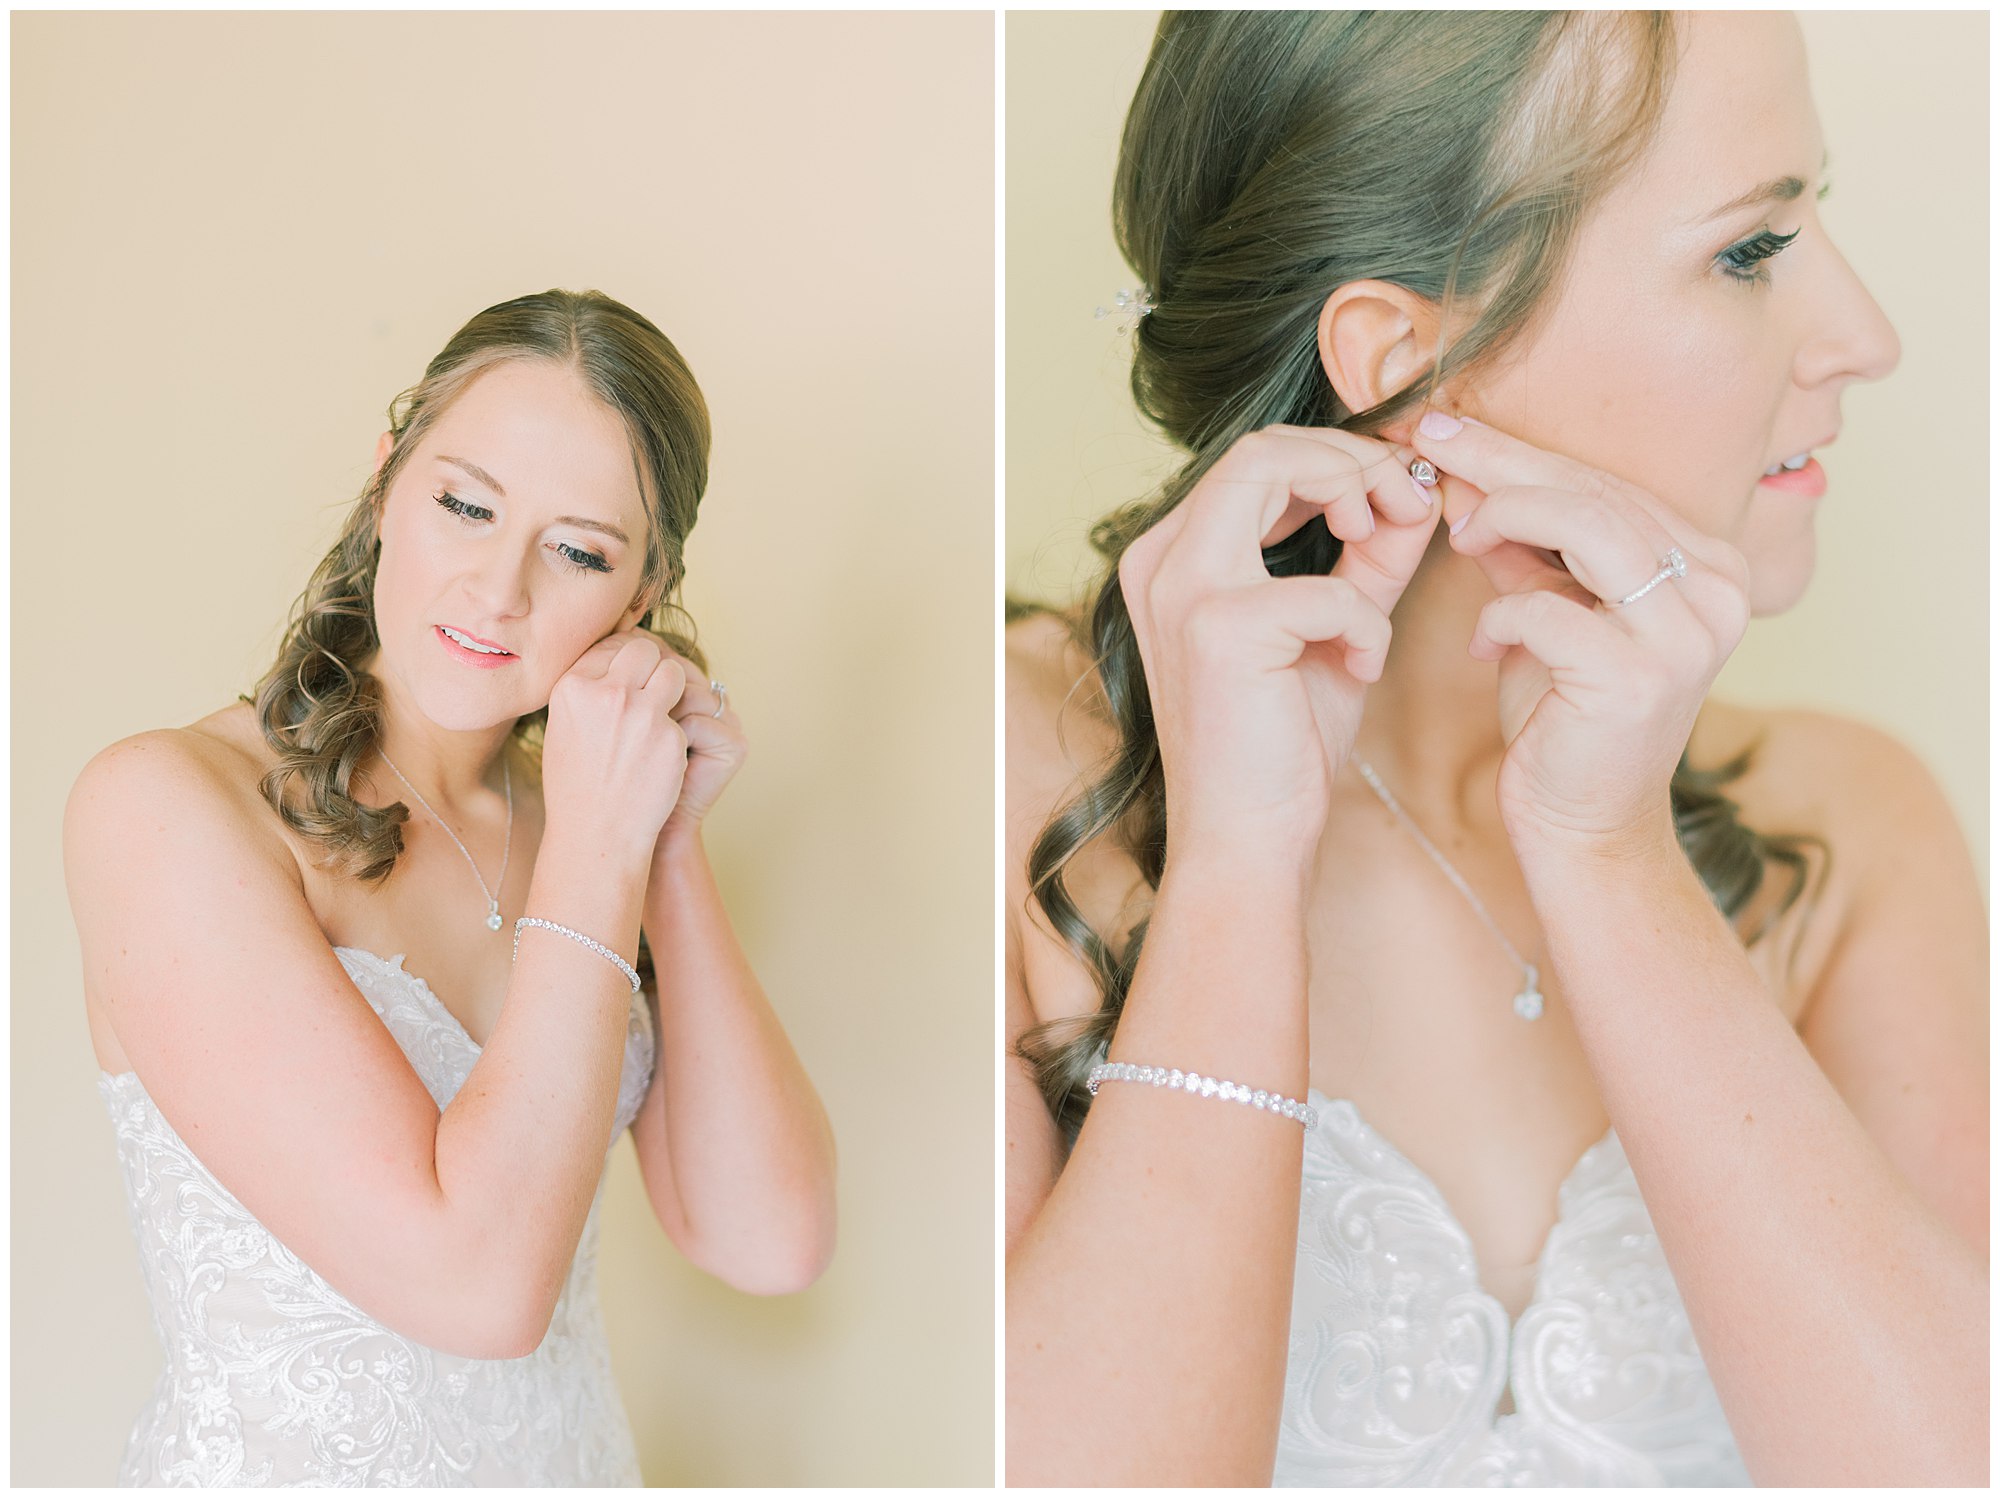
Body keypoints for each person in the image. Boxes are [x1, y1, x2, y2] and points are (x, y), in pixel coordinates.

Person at [1005, 12, 1985, 1487]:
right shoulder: (1018, 778)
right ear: (1409, 358)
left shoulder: (1852, 820)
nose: (1864, 337)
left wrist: (1611, 853)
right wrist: (1234, 865)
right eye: (1750, 249)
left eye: (1813, 215)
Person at [66, 288, 838, 1486]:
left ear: (639, 592)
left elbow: (768, 1238)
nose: (497, 589)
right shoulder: (166, 806)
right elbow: (476, 1287)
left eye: (578, 549)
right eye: (465, 504)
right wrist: (598, 851)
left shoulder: (586, 820)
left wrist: (665, 834)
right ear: (387, 487)